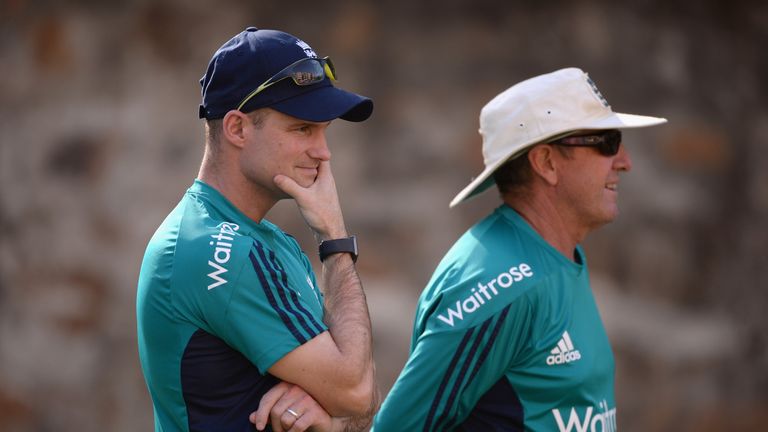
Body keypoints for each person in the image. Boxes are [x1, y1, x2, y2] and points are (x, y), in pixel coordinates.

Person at [372, 67, 667, 431]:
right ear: (546, 163)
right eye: (606, 141)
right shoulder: (501, 282)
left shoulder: (556, 254)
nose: (625, 162)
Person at [136, 27, 378, 432]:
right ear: (237, 129)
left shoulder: (273, 244)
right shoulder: (218, 248)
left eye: (324, 131)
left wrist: (332, 421)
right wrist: (335, 239)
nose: (323, 152)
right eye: (303, 128)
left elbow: (361, 398)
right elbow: (355, 391)